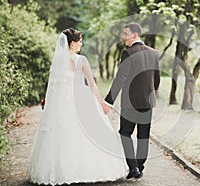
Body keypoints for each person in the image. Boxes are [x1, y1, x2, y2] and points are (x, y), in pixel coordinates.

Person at [28, 28, 128, 185]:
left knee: (61, 134)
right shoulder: (81, 60)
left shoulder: (58, 61)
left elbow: (54, 86)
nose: (82, 44)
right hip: (81, 98)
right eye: (80, 41)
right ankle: (88, 169)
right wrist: (101, 103)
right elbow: (92, 84)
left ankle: (60, 170)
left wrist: (50, 102)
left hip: (61, 101)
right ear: (73, 43)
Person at [103, 22, 160, 179]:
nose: (123, 38)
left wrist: (109, 101)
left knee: (125, 133)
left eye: (125, 34)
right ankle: (140, 167)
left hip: (130, 103)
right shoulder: (154, 53)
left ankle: (133, 167)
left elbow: (120, 78)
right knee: (144, 135)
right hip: (148, 102)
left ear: (135, 35)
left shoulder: (127, 53)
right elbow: (156, 79)